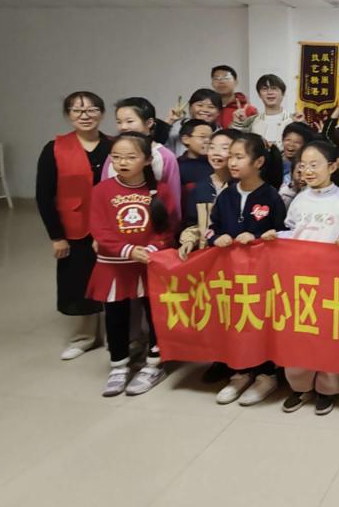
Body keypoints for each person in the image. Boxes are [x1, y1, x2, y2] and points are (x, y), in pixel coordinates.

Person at [88, 132, 177, 396]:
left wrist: (152, 249)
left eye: (130, 157)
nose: (122, 162)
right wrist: (126, 250)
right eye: (116, 157)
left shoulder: (160, 190)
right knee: (115, 316)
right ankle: (119, 364)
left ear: (147, 160)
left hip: (149, 263)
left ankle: (154, 363)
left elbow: (168, 227)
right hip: (113, 265)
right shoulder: (102, 190)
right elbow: (99, 228)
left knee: (155, 313)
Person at [279, 141, 339, 416]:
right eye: (303, 166)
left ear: (332, 166)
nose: (308, 171)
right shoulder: (299, 199)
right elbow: (292, 231)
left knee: (327, 334)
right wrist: (276, 236)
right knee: (298, 332)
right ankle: (300, 386)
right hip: (298, 277)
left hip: (331, 279)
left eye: (315, 165)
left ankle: (327, 389)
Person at [207, 133, 287, 406]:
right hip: (230, 275)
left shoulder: (272, 197)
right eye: (231, 156)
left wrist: (258, 238)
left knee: (261, 321)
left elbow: (282, 234)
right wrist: (216, 238)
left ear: (259, 162)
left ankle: (266, 374)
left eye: (239, 157)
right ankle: (239, 372)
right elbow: (212, 227)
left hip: (262, 277)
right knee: (236, 320)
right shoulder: (226, 195)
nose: (232, 162)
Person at [36, 91, 113, 361]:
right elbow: (44, 195)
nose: (85, 116)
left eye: (91, 110)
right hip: (74, 226)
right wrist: (56, 236)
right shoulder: (54, 148)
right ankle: (84, 337)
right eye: (77, 111)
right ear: (68, 116)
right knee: (79, 280)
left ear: (101, 113)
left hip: (111, 224)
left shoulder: (115, 145)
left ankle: (116, 334)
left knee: (114, 278)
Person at [101, 97, 182, 223]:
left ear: (149, 123)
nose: (123, 127)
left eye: (129, 121)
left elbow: (173, 197)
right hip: (116, 224)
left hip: (155, 224)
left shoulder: (165, 156)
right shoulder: (113, 153)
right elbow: (104, 193)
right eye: (119, 122)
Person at [179, 128, 240, 261]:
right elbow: (194, 225)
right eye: (211, 147)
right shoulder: (200, 188)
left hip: (237, 256)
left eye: (224, 148)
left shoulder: (243, 187)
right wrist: (189, 240)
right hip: (208, 258)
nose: (216, 153)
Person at [177, 120, 214, 229]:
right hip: (188, 225)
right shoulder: (177, 166)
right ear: (186, 139)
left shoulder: (216, 164)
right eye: (202, 137)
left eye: (211, 138)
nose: (208, 141)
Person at [165, 88, 222, 156]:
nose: (205, 110)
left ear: (219, 111)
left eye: (211, 107)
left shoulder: (221, 135)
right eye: (200, 105)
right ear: (190, 108)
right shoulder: (177, 128)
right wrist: (169, 121)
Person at [242, 74, 292, 146]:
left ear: (283, 93)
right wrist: (238, 122)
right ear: (259, 95)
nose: (269, 93)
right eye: (265, 89)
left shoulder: (293, 120)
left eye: (274, 88)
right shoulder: (251, 121)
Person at [211, 64, 257, 129]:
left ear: (236, 82)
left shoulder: (248, 110)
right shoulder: (208, 109)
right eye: (216, 78)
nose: (221, 81)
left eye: (226, 78)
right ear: (212, 83)